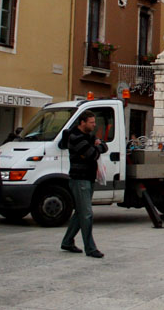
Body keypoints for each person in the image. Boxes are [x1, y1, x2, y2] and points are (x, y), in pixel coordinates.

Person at [60, 110, 108, 258]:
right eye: (91, 122)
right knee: (87, 214)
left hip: (88, 177)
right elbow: (92, 154)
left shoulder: (88, 136)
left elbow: (104, 147)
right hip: (79, 178)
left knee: (80, 212)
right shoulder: (75, 137)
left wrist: (97, 147)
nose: (94, 125)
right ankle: (90, 248)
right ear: (82, 122)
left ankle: (67, 241)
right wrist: (97, 148)